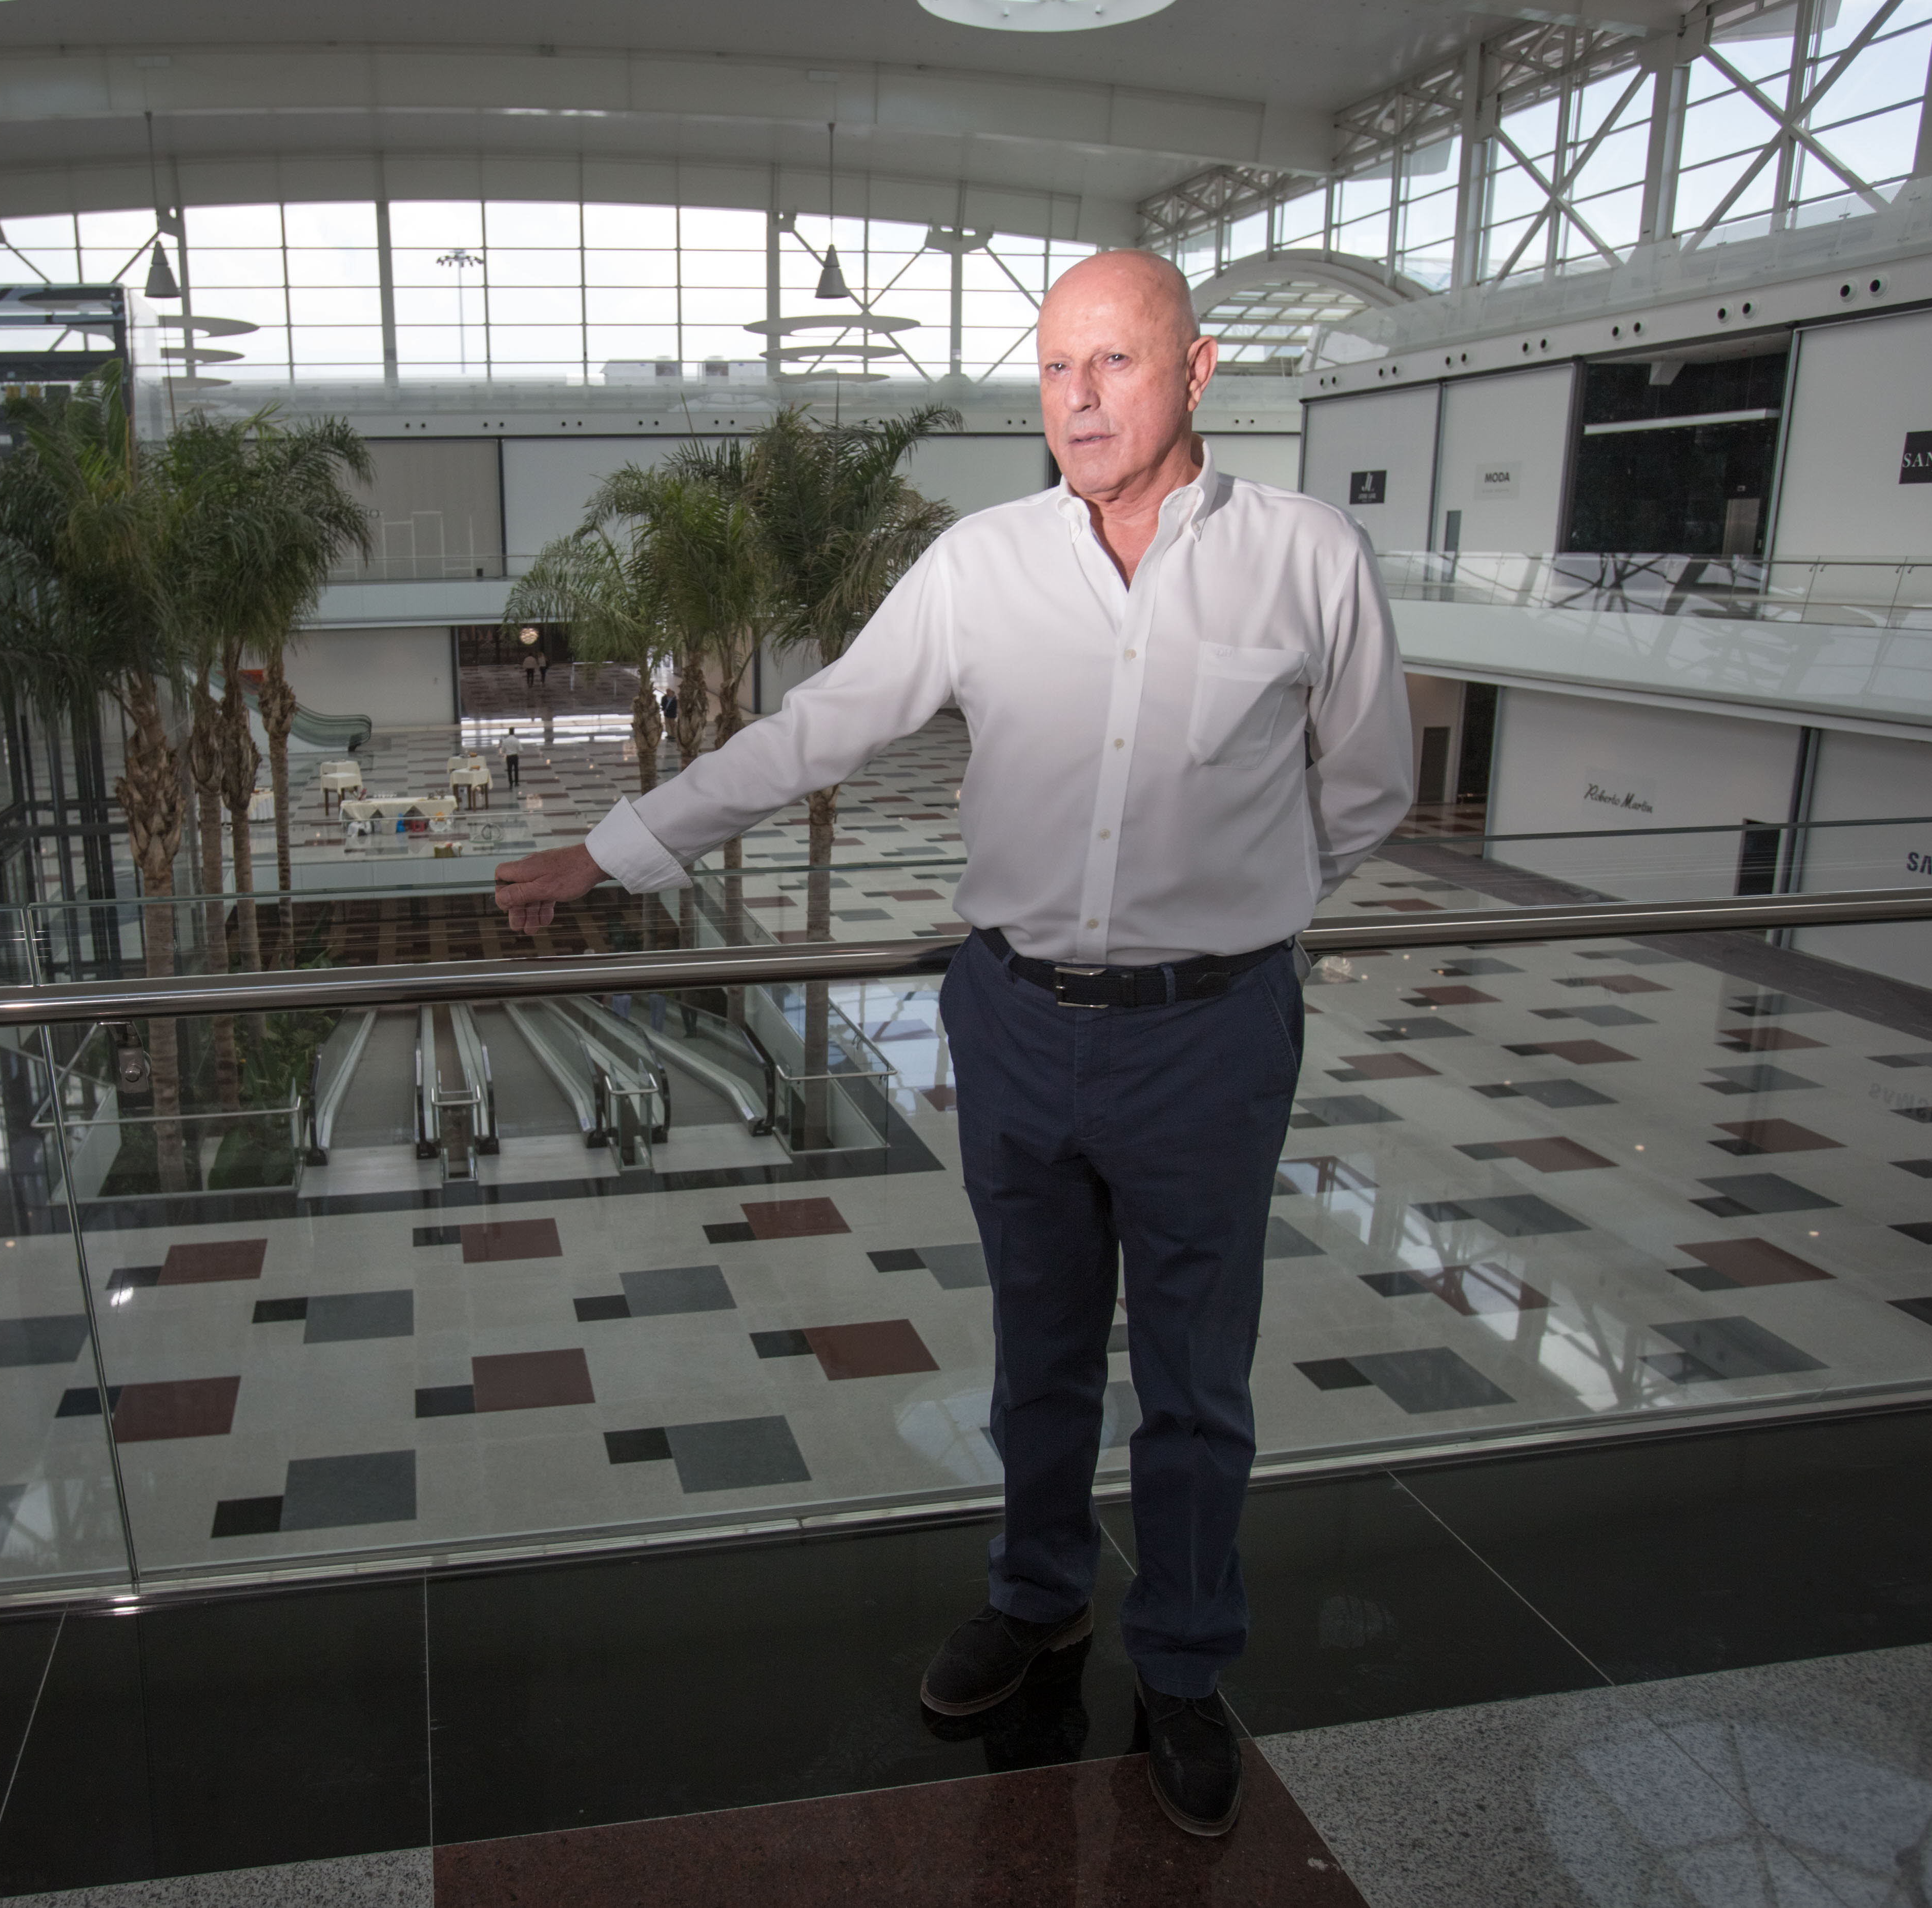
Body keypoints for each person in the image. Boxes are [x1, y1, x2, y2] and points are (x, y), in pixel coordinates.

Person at [492, 250, 1411, 1837]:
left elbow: (1372, 780)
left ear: (1195, 374)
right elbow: (817, 728)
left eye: (1113, 364)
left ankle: (1183, 1673)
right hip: (1014, 1021)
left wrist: (1246, 903)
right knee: (1039, 1354)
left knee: (1196, 1379)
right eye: (1055, 368)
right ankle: (1039, 1593)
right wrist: (615, 847)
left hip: (1212, 1039)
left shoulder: (1304, 556)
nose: (1076, 399)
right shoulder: (981, 565)